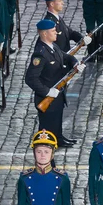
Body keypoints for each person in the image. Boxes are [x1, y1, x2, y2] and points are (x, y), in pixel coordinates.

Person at [25, 19, 85, 148]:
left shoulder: (52, 46)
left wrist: (75, 63)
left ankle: (59, 138)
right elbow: (30, 78)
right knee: (47, 126)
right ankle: (46, 147)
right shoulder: (40, 54)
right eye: (53, 31)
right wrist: (47, 91)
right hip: (47, 96)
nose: (56, 33)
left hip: (57, 93)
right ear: (45, 34)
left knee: (57, 118)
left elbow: (65, 56)